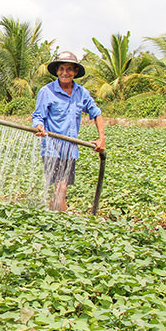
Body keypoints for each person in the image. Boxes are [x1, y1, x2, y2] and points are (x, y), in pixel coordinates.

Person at [32, 51, 105, 211]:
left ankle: (52, 217)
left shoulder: (81, 93)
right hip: (52, 148)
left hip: (70, 150)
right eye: (62, 69)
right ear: (57, 71)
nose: (65, 73)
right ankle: (64, 221)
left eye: (69, 69)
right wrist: (39, 126)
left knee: (60, 190)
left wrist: (101, 139)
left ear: (75, 72)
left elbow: (96, 113)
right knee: (61, 188)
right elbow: (38, 116)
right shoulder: (47, 91)